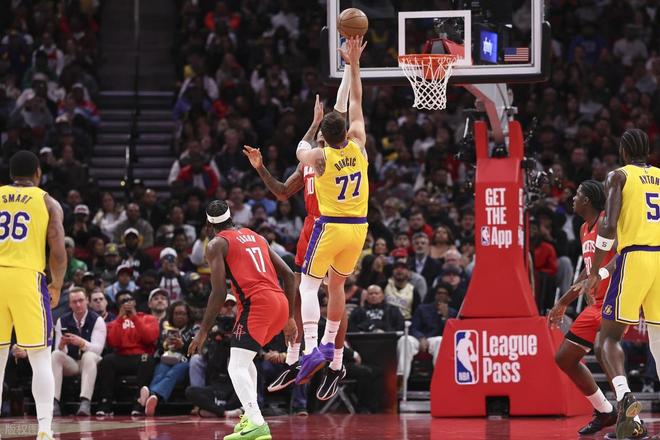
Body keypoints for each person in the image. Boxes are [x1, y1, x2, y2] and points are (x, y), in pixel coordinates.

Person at [242, 60, 353, 400]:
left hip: (332, 225)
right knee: (299, 291)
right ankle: (295, 359)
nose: (317, 141)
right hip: (313, 229)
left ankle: (333, 363)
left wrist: (349, 71)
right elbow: (280, 192)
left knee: (332, 294)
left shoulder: (329, 158)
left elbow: (338, 116)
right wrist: (261, 168)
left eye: (321, 137)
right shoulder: (308, 165)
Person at [294, 35, 369, 387]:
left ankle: (311, 347)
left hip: (331, 226)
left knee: (308, 286)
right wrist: (354, 64)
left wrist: (312, 126)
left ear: (324, 134)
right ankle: (328, 342)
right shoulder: (359, 144)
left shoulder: (320, 157)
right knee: (336, 286)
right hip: (359, 229)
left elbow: (300, 150)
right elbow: (356, 100)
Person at [189, 200, 297, 440]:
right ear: (231, 217)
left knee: (235, 365)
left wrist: (203, 331)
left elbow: (219, 293)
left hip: (257, 305)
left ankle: (257, 423)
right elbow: (289, 276)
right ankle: (251, 415)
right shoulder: (256, 236)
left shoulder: (216, 244)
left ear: (208, 225)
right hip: (279, 303)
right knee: (245, 360)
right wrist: (290, 317)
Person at [582, 129, 660, 439]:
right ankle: (631, 422)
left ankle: (626, 401)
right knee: (658, 341)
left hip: (635, 257)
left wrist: (595, 270)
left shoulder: (619, 176)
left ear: (624, 151)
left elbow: (608, 224)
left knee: (608, 338)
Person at [0, 150, 67, 440]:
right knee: (40, 357)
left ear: (11, 175)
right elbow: (58, 250)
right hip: (26, 277)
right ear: (38, 173)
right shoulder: (47, 201)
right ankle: (43, 429)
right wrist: (57, 284)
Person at [548, 180, 621, 435]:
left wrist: (600, 275)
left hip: (615, 298)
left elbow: (621, 256)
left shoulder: (606, 222)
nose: (573, 198)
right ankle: (605, 410)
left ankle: (629, 416)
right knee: (565, 358)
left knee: (603, 348)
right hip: (595, 304)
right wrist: (562, 302)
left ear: (587, 200)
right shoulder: (582, 229)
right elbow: (587, 271)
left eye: (577, 194)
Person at [95, 290, 160, 416]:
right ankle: (105, 404)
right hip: (121, 356)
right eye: (123, 302)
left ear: (135, 302)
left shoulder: (149, 318)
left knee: (146, 360)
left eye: (129, 300)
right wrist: (120, 319)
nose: (127, 304)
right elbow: (113, 342)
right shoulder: (114, 323)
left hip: (141, 356)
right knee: (106, 361)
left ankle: (139, 404)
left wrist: (134, 318)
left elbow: (149, 338)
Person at [52, 287, 106, 416]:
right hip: (73, 363)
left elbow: (98, 349)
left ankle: (85, 402)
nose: (78, 304)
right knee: (55, 355)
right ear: (70, 304)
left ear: (87, 301)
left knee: (89, 356)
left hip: (93, 362)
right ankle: (53, 402)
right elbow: (59, 351)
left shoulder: (97, 320)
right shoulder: (62, 320)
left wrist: (81, 343)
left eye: (81, 300)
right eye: (74, 302)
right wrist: (62, 345)